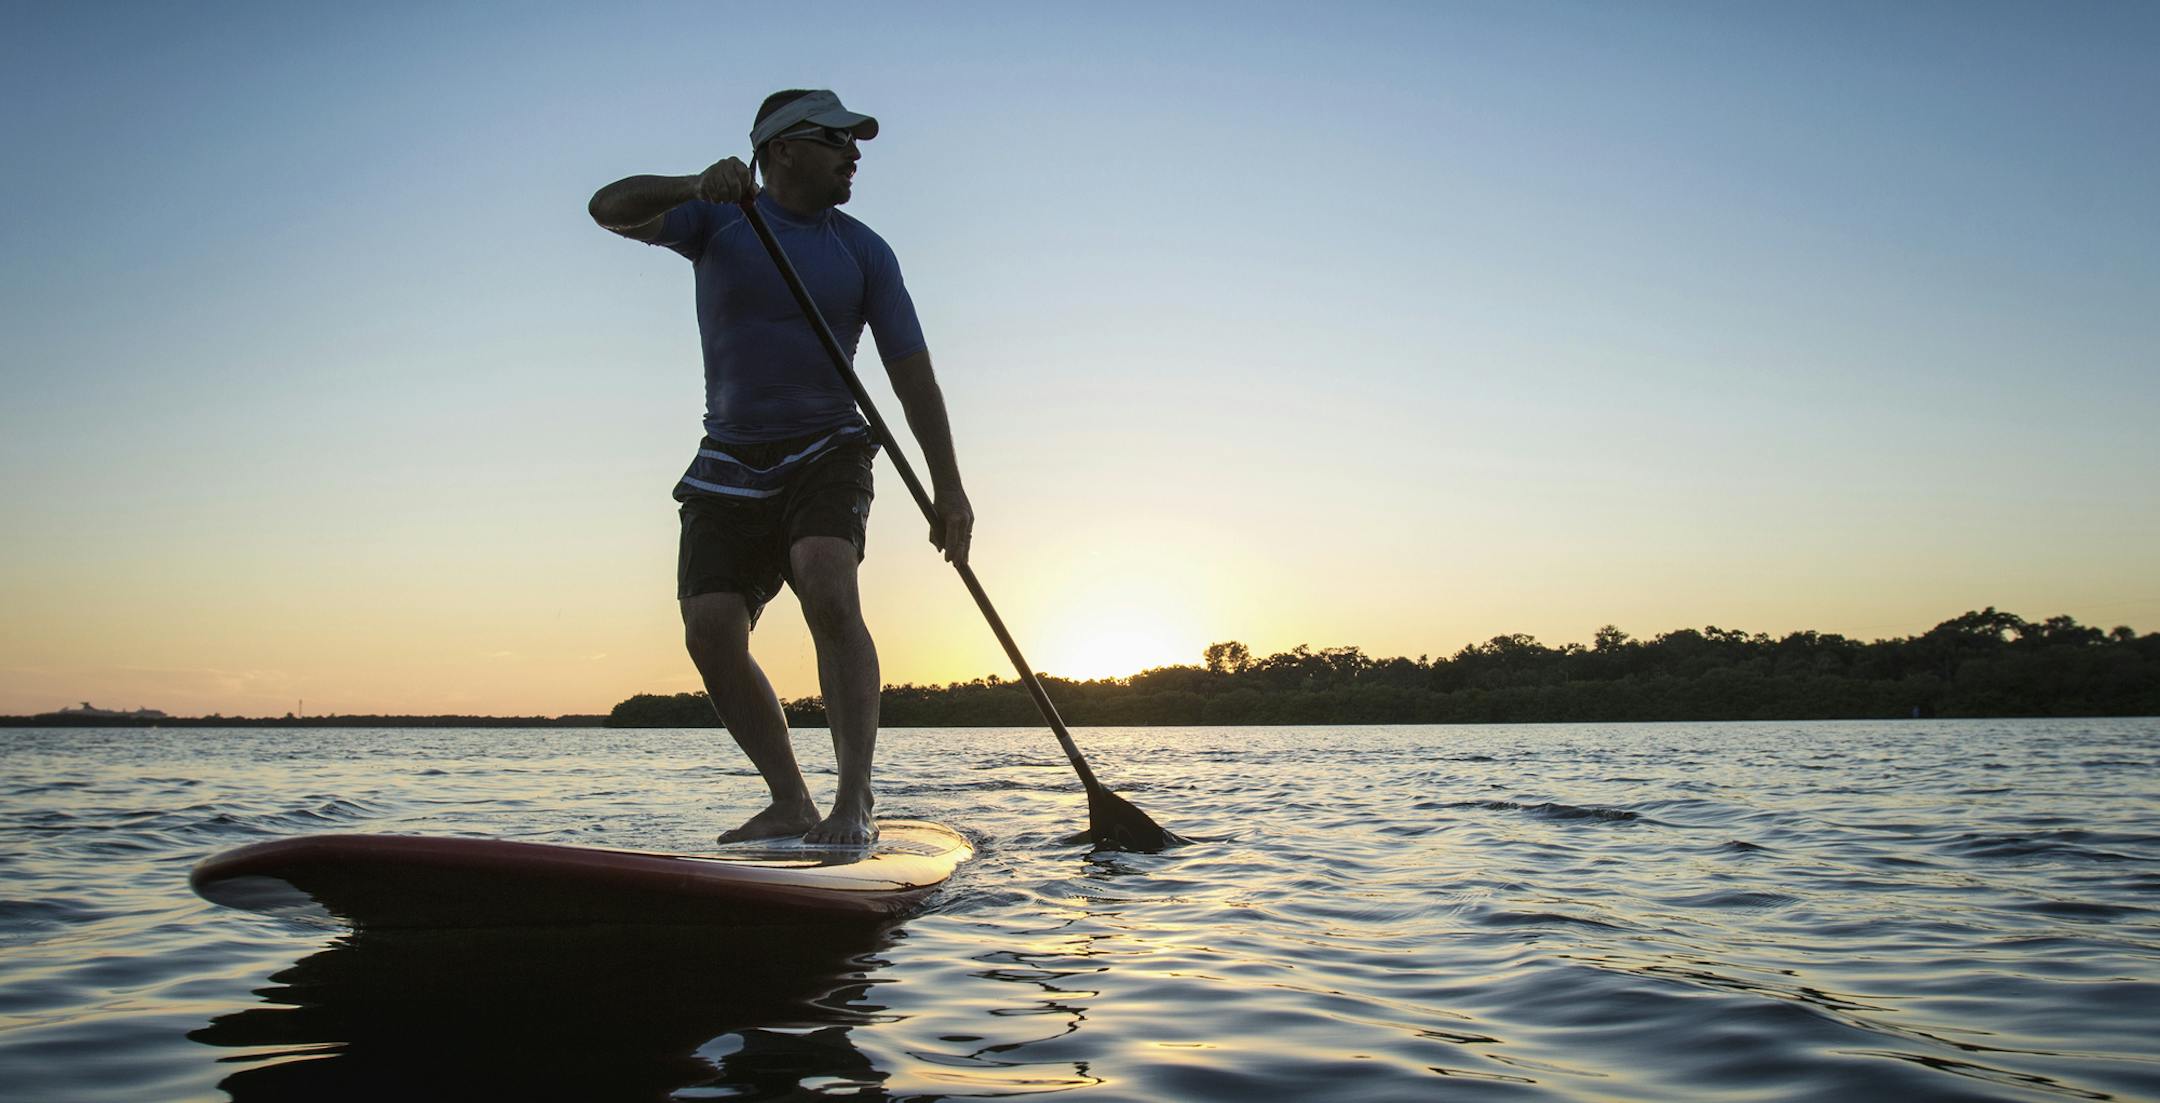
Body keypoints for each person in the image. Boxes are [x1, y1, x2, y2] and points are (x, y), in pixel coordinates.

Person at [588, 89, 972, 845]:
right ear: (783, 148)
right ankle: (791, 798)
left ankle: (853, 797)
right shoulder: (718, 220)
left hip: (827, 446)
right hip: (727, 458)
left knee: (825, 577)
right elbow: (607, 205)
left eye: (854, 142)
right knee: (709, 628)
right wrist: (693, 185)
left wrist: (948, 487)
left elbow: (912, 377)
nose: (854, 154)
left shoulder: (864, 251)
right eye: (837, 140)